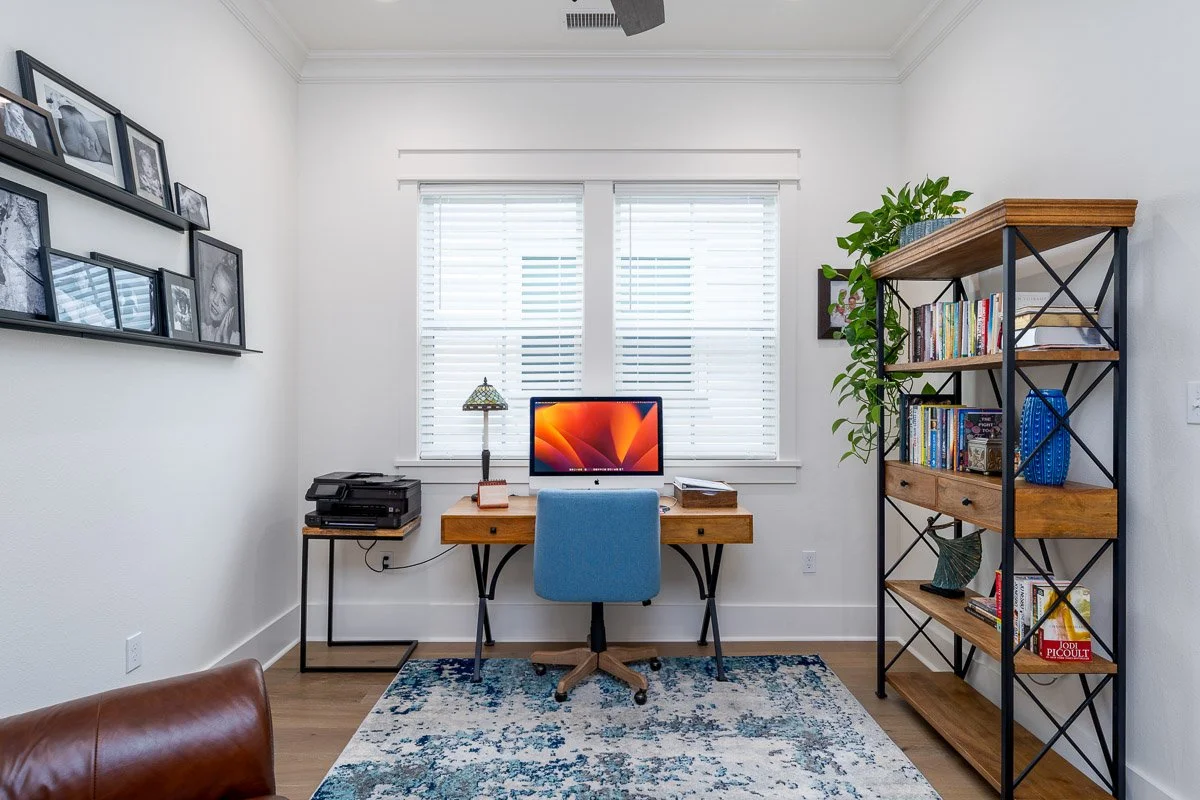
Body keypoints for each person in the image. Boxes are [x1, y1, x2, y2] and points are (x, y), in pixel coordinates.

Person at [200, 257, 239, 345]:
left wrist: (224, 340)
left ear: (232, 309)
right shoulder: (200, 331)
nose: (215, 300)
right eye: (213, 288)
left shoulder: (237, 340)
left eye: (223, 300)